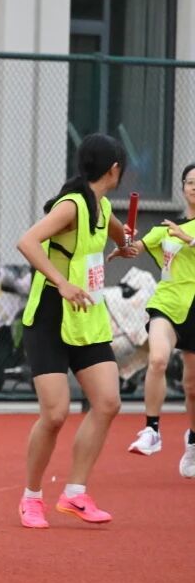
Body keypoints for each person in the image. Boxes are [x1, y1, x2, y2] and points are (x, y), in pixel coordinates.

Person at [15, 133, 141, 528]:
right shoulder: (71, 205)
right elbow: (27, 242)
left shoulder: (102, 206)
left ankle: (75, 493)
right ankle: (31, 497)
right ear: (114, 169)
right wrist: (62, 282)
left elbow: (120, 235)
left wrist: (127, 245)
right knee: (55, 414)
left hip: (87, 318)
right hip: (50, 317)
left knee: (108, 402)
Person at [131, 163, 195, 477]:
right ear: (182, 188)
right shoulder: (167, 228)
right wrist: (125, 244)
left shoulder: (181, 232)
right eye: (190, 182)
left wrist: (189, 239)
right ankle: (152, 430)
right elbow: (136, 247)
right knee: (157, 359)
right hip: (168, 302)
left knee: (192, 386)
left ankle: (193, 441)